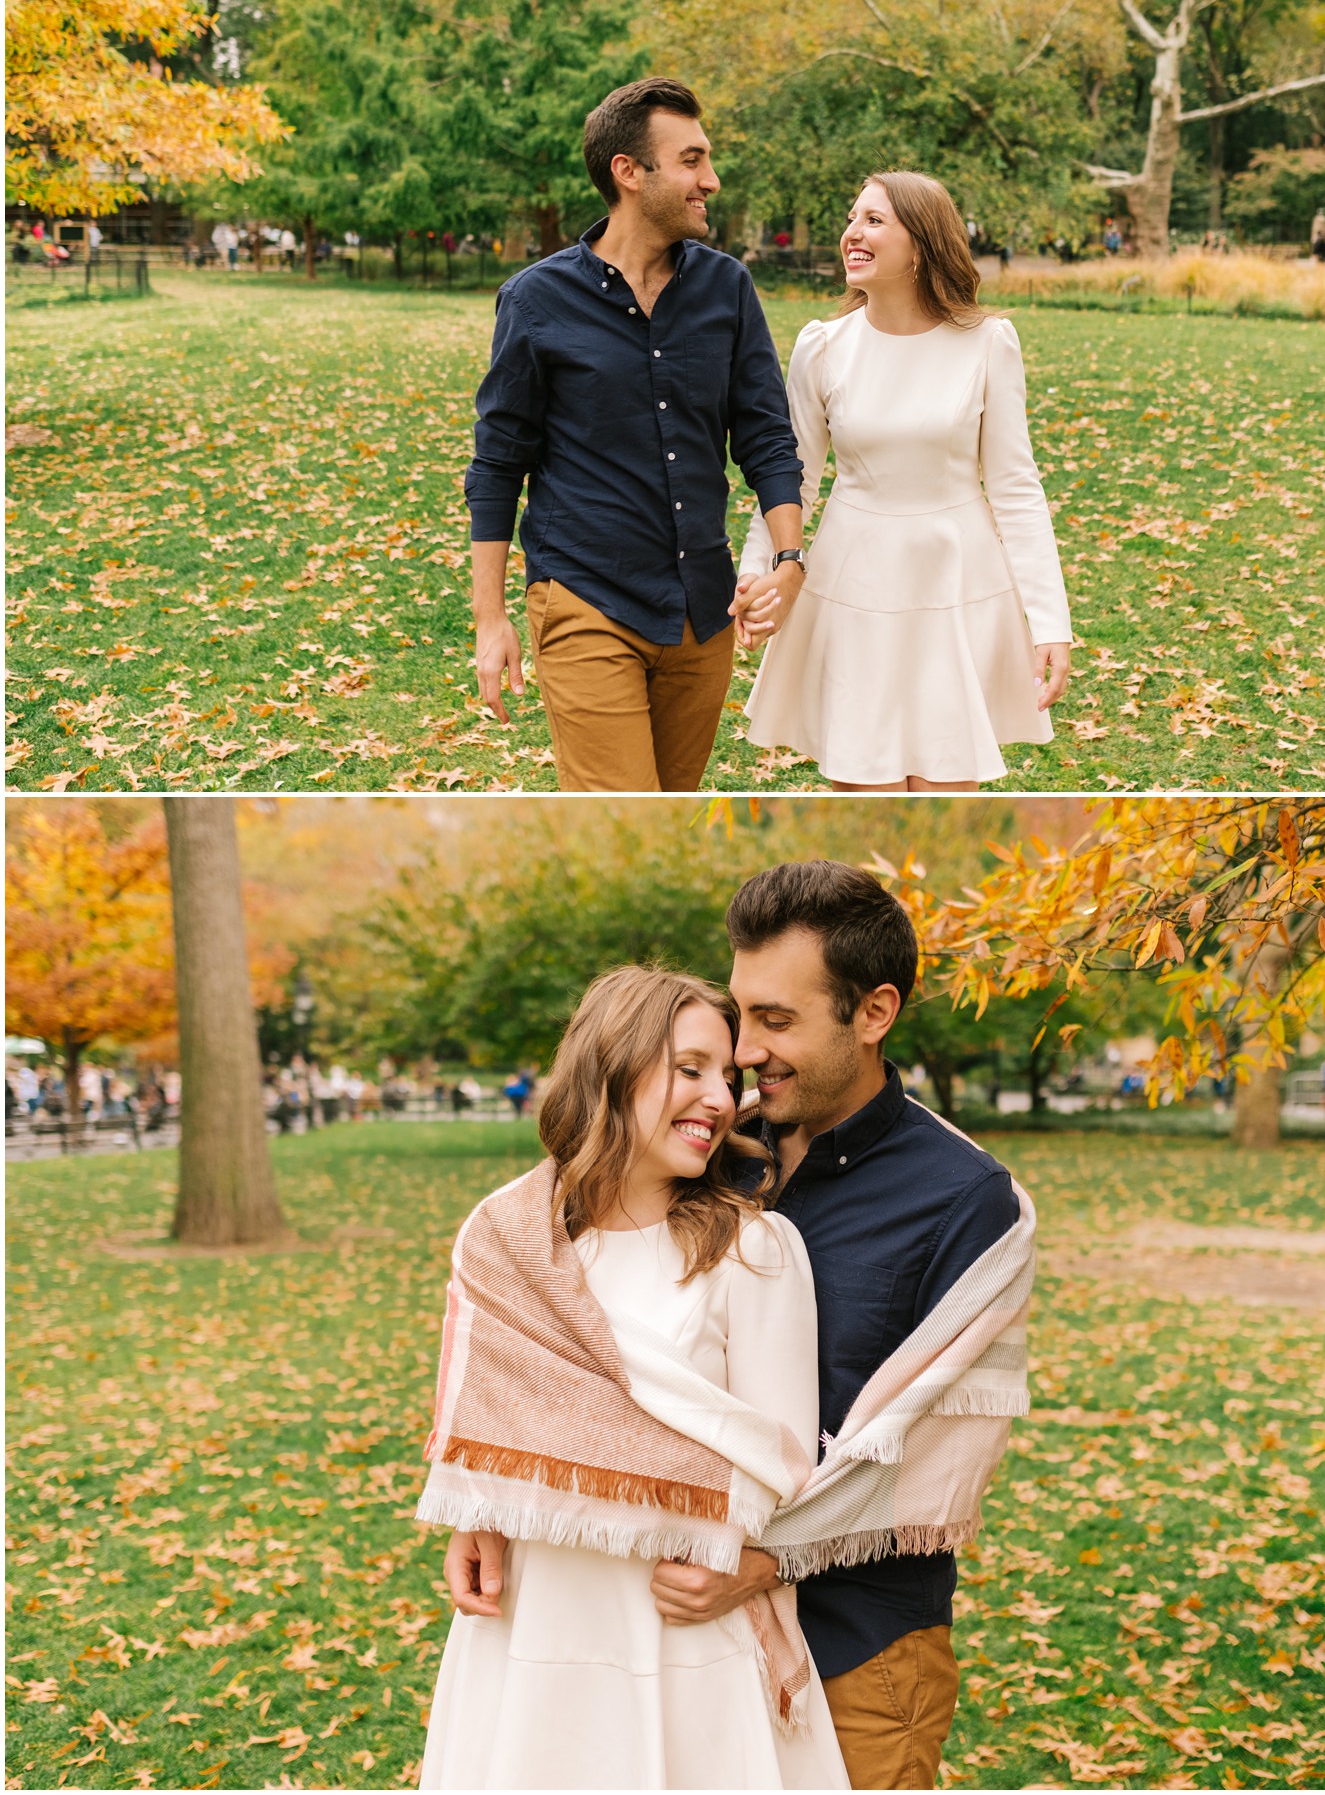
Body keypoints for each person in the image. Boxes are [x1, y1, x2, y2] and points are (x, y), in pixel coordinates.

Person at [444, 860, 1028, 1790]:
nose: (747, 1052)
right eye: (741, 1013)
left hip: (859, 1641)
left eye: (777, 1021)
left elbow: (935, 1448)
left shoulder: (966, 1199)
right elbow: (573, 1332)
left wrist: (760, 1556)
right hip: (665, 1620)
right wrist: (492, 1503)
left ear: (873, 1013)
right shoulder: (712, 1153)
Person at [421, 967, 849, 1789]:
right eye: (689, 1069)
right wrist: (475, 1509)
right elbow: (493, 1421)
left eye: (727, 1077)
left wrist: (749, 1565)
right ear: (609, 1067)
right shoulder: (514, 1246)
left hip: (678, 1629)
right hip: (531, 1622)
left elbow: (782, 1470)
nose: (721, 1100)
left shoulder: (749, 1254)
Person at [467, 76, 808, 792]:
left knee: (670, 806)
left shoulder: (726, 289)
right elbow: (498, 465)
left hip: (702, 610)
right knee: (616, 804)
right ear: (629, 172)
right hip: (587, 597)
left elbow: (767, 438)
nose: (709, 180)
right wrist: (490, 618)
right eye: (691, 161)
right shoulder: (536, 300)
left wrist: (788, 558)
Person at [738, 172, 1072, 791]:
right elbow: (794, 476)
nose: (851, 234)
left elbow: (1017, 488)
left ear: (921, 244)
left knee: (947, 787)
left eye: (873, 220)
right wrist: (757, 571)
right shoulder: (822, 346)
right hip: (853, 582)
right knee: (865, 788)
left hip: (956, 581)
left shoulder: (987, 343)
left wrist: (1050, 623)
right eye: (851, 218)